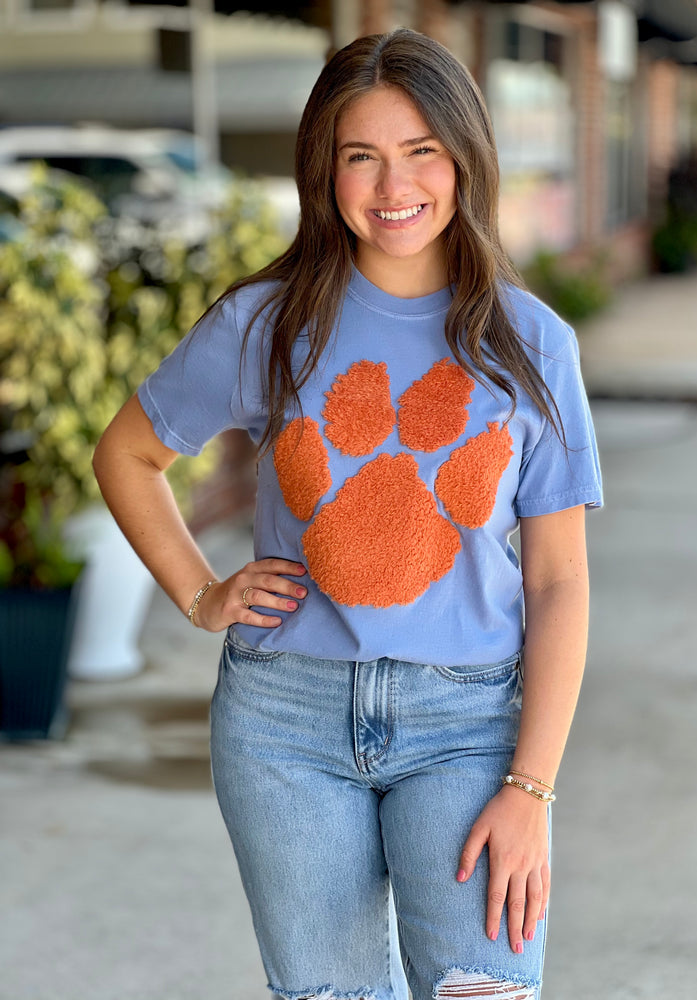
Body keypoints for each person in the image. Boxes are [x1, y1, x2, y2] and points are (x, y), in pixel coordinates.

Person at [94, 28, 602, 1000]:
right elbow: (128, 453)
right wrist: (200, 592)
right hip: (285, 719)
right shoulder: (265, 325)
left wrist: (531, 787)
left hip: (467, 721)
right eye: (359, 155)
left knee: (481, 990)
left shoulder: (531, 344)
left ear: (465, 159)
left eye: (421, 151)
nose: (390, 184)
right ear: (322, 170)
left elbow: (559, 578)